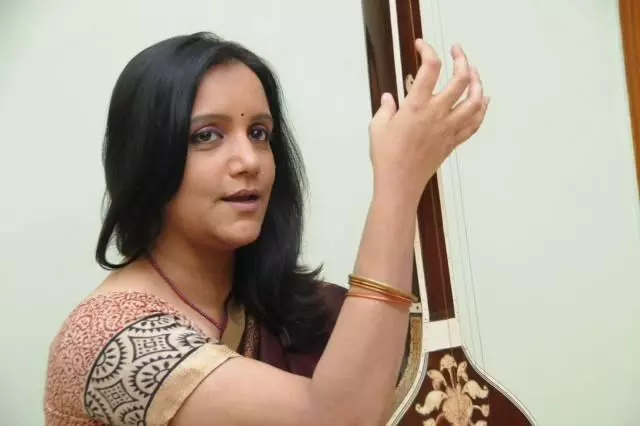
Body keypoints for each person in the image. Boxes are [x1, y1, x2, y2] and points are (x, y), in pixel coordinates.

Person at [43, 31, 488, 425]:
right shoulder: (109, 341)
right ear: (146, 158)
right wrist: (399, 182)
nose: (249, 161)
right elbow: (337, 418)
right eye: (206, 135)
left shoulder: (289, 311)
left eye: (259, 133)